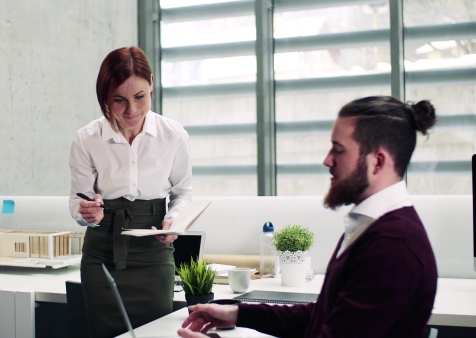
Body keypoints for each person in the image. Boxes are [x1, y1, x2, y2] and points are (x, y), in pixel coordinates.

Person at [178, 96, 439, 338]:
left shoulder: (392, 247)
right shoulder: (371, 227)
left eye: (338, 150)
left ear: (378, 162)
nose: (327, 160)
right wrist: (239, 313)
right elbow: (327, 315)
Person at [69, 46, 193, 338]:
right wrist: (86, 212)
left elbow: (183, 193)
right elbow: (78, 202)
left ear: (151, 83)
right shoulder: (86, 139)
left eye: (140, 97)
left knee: (156, 333)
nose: (132, 110)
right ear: (104, 98)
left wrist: (174, 220)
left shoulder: (173, 135)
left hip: (153, 254)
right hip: (102, 255)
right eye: (119, 100)